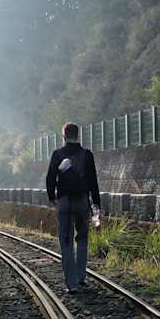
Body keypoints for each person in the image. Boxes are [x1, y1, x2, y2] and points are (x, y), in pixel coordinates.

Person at [45, 122, 101, 294]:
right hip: (83, 201)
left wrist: (52, 198)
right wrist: (96, 203)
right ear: (78, 135)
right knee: (83, 239)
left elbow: (50, 178)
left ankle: (72, 284)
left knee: (66, 241)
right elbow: (93, 180)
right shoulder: (87, 154)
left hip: (65, 202)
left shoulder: (57, 154)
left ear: (64, 135)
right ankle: (81, 276)